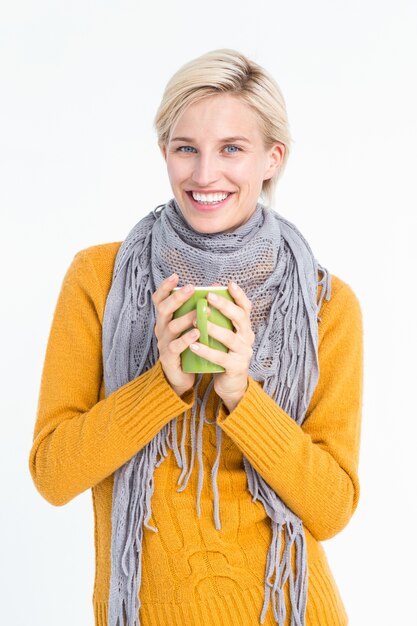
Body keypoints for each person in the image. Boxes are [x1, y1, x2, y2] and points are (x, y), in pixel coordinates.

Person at [29, 48, 363, 626]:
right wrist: (161, 384)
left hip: (289, 610)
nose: (205, 174)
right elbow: (54, 475)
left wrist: (242, 393)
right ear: (165, 153)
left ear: (272, 159)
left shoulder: (324, 304)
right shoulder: (99, 278)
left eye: (232, 148)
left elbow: (331, 509)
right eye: (187, 149)